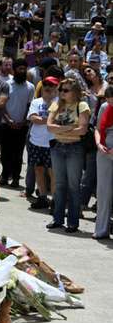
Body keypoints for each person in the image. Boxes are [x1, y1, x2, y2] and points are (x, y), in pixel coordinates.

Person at [46, 78, 89, 233]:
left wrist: (60, 129)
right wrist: (70, 128)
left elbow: (82, 130)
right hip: (58, 147)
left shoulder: (82, 105)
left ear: (75, 91)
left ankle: (72, 222)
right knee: (59, 185)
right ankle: (57, 219)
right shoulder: (56, 104)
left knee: (73, 186)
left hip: (74, 148)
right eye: (61, 90)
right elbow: (49, 127)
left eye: (66, 90)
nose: (62, 93)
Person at [0, 59, 35, 187]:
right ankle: (4, 176)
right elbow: (2, 105)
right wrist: (9, 120)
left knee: (18, 153)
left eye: (24, 69)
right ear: (14, 70)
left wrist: (24, 121)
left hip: (22, 126)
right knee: (5, 152)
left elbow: (29, 106)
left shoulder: (30, 87)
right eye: (20, 69)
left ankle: (15, 178)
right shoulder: (6, 85)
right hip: (6, 124)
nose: (22, 71)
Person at [26, 76, 59, 210]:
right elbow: (33, 118)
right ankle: (42, 197)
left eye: (52, 86)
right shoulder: (36, 101)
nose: (48, 88)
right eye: (46, 85)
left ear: (56, 88)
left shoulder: (59, 103)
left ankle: (55, 200)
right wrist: (50, 120)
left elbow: (59, 120)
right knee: (38, 169)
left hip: (52, 142)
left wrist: (43, 119)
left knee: (53, 172)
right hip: (36, 141)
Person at [93, 85, 113, 239]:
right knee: (103, 190)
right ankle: (101, 229)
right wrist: (99, 144)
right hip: (104, 152)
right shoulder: (105, 107)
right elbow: (98, 128)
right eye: (109, 101)